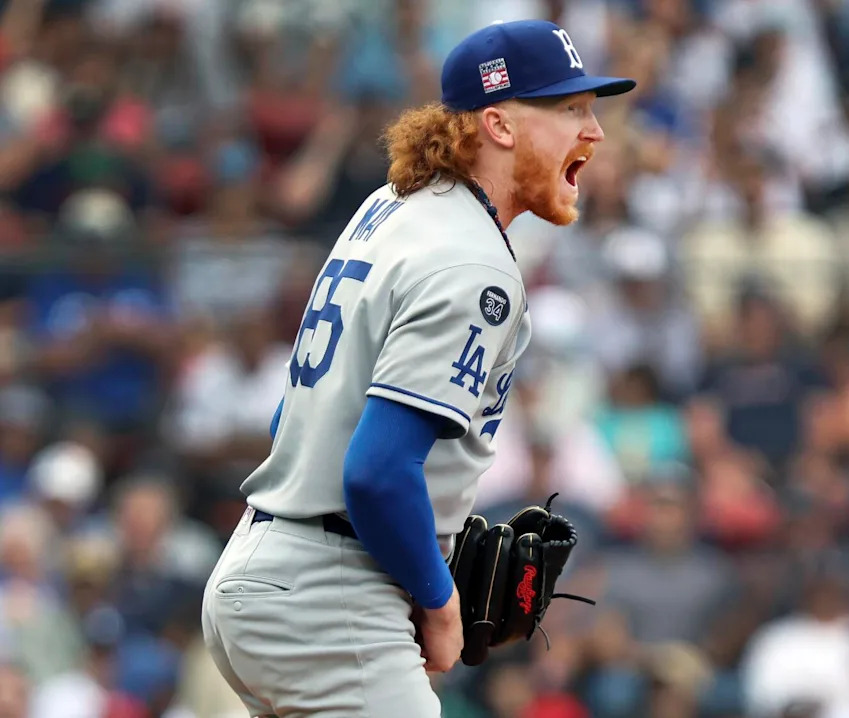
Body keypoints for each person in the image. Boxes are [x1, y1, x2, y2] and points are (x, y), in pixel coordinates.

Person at [200, 18, 635, 718]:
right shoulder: (472, 263)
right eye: (569, 110)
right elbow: (375, 471)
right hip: (327, 588)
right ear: (498, 124)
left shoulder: (392, 206)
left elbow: (296, 416)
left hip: (267, 569)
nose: (595, 132)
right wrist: (438, 598)